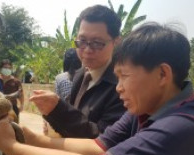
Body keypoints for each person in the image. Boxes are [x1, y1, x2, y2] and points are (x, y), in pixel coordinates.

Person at [0, 22, 194, 155]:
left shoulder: (182, 127)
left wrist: (10, 146)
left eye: (124, 77)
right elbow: (98, 146)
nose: (118, 87)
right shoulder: (143, 111)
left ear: (162, 75)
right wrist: (29, 137)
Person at [30, 5, 126, 138]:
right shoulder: (80, 75)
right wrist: (52, 117)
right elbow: (74, 116)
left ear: (116, 43)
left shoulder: (123, 87)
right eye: (82, 41)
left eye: (97, 43)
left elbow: (103, 140)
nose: (87, 49)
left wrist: (58, 110)